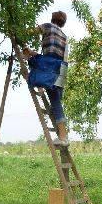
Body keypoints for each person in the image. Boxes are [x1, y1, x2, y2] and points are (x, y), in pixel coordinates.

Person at [23, 11, 70, 142]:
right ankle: (63, 135)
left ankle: (63, 137)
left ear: (52, 19)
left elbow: (29, 32)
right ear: (63, 23)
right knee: (56, 102)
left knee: (32, 60)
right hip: (59, 70)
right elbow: (61, 57)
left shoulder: (48, 26)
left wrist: (18, 31)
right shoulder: (65, 37)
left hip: (48, 67)